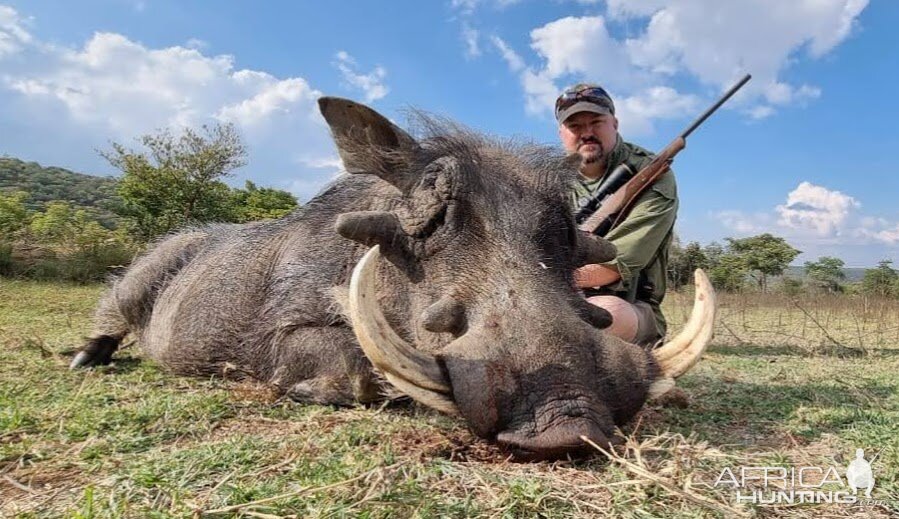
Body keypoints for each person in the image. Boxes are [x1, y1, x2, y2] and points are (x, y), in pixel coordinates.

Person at [555, 83, 678, 347]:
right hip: (546, 294)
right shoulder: (546, 180)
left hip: (626, 303)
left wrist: (546, 280)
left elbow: (613, 266)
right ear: (561, 133)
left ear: (615, 123)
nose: (587, 133)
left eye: (596, 122)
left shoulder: (652, 175)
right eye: (575, 126)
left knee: (600, 314)